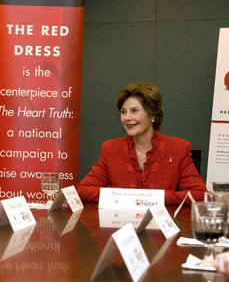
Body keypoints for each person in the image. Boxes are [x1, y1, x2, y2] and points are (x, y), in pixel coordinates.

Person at [76, 82, 207, 206]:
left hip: (161, 226)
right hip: (121, 226)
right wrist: (122, 195)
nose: (127, 118)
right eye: (123, 111)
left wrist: (153, 198)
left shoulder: (177, 148)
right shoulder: (111, 148)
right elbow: (82, 190)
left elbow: (199, 194)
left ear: (152, 115)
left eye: (134, 110)